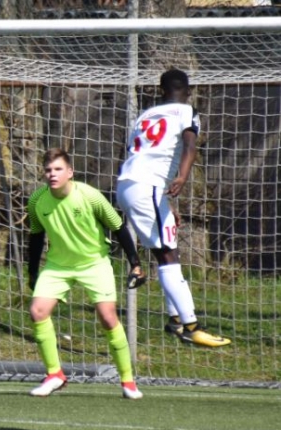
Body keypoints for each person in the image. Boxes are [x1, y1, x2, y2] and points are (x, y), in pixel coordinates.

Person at [116, 68, 231, 348]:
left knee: (167, 252)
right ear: (189, 91)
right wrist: (182, 177)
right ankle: (191, 327)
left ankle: (176, 320)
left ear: (161, 90)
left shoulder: (144, 116)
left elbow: (139, 152)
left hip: (131, 184)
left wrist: (164, 202)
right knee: (168, 255)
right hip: (147, 187)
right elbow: (190, 146)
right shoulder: (187, 112)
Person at [27, 148, 146, 400]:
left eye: (58, 169)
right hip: (58, 265)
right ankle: (55, 374)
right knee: (37, 311)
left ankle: (128, 380)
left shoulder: (90, 196)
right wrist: (33, 273)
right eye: (48, 170)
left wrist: (135, 263)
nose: (52, 174)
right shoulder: (37, 200)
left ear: (70, 172)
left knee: (108, 318)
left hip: (94, 263)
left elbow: (118, 227)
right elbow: (36, 236)